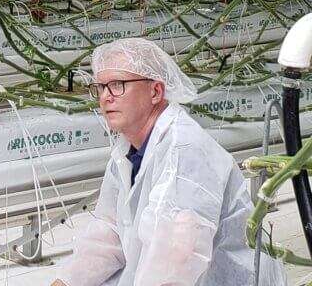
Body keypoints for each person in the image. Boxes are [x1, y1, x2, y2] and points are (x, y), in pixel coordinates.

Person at [51, 38, 286, 286]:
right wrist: (66, 281)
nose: (106, 97)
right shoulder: (126, 151)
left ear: (156, 92)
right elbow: (110, 229)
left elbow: (174, 262)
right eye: (100, 87)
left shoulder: (185, 151)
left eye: (117, 85)